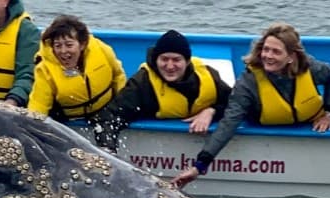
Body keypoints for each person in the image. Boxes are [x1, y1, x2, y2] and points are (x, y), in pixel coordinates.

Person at [172, 23, 330, 189]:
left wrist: (329, 113)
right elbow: (229, 123)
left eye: (276, 51)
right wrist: (199, 166)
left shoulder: (310, 67)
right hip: (267, 132)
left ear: (291, 57)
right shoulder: (248, 82)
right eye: (265, 49)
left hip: (310, 126)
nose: (268, 56)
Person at [92, 29, 232, 152]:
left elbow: (236, 103)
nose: (170, 66)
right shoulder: (142, 83)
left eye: (176, 60)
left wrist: (211, 111)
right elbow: (109, 118)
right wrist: (108, 151)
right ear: (156, 59)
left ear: (188, 61)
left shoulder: (208, 75)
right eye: (164, 59)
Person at [27, 15, 127, 121]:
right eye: (58, 46)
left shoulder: (102, 50)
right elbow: (38, 105)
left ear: (82, 44)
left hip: (106, 110)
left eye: (69, 45)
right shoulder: (44, 70)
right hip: (69, 119)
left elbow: (118, 77)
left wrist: (120, 110)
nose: (63, 51)